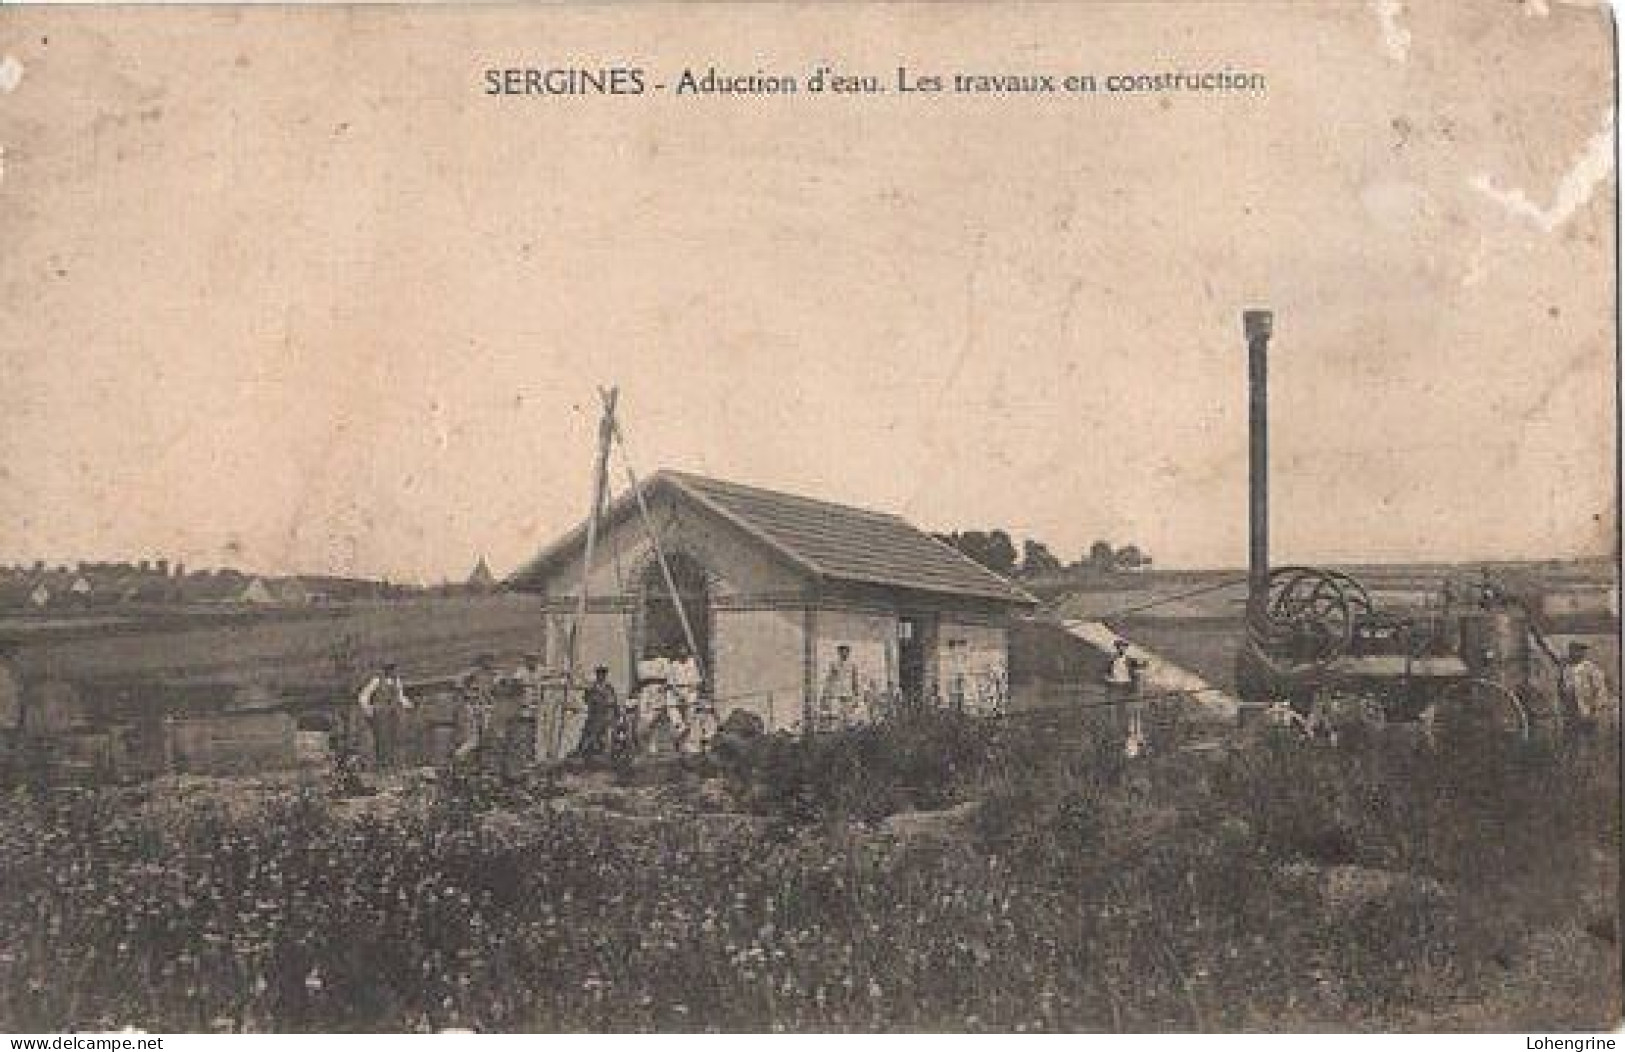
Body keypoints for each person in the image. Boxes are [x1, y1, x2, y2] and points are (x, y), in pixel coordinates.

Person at [357, 661, 413, 770]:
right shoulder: (377, 681)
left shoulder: (397, 682)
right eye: (391, 670)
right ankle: (382, 764)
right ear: (387, 670)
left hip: (394, 712)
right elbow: (363, 696)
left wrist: (408, 704)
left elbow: (400, 697)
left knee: (395, 737)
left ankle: (394, 764)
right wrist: (368, 708)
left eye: (395, 670)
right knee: (382, 738)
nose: (394, 672)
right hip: (381, 712)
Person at [453, 654, 500, 767]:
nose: (490, 664)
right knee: (474, 737)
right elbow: (458, 683)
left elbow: (494, 689)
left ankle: (480, 763)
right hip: (474, 708)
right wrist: (468, 693)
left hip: (485, 707)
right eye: (488, 661)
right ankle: (459, 758)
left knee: (486, 736)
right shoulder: (472, 674)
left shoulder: (493, 675)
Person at [514, 652, 562, 760]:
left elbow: (552, 674)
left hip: (537, 706)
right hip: (524, 706)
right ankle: (524, 755)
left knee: (538, 731)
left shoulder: (540, 670)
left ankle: (534, 755)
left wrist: (561, 675)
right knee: (525, 731)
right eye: (529, 660)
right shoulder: (520, 672)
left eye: (533, 660)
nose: (531, 662)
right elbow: (516, 685)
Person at [1104, 639, 1148, 757]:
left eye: (1123, 647)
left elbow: (1141, 666)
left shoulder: (1129, 660)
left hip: (1127, 686)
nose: (1121, 649)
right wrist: (1109, 679)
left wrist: (1142, 665)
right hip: (1116, 686)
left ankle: (1131, 728)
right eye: (1119, 647)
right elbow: (1105, 674)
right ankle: (1128, 727)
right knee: (1120, 710)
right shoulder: (1112, 660)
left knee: (1131, 711)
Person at [1560, 642, 1614, 733]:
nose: (1576, 653)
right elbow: (1563, 686)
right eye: (1573, 651)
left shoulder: (1591, 668)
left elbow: (1601, 689)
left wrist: (1595, 708)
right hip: (1570, 710)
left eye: (1580, 651)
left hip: (1587, 709)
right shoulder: (1566, 668)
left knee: (1588, 736)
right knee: (1571, 736)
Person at [575, 666, 618, 759]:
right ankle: (582, 753)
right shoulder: (592, 687)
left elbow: (614, 702)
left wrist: (615, 713)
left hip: (606, 716)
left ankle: (606, 754)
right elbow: (586, 699)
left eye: (603, 674)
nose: (601, 676)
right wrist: (593, 699)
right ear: (597, 675)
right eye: (599, 674)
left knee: (607, 735)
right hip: (594, 715)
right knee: (588, 734)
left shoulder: (609, 688)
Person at [820, 644, 860, 732]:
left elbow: (855, 681)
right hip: (837, 693)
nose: (844, 654)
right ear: (839, 653)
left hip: (848, 693)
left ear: (848, 653)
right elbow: (829, 680)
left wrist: (856, 696)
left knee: (849, 716)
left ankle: (849, 732)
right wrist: (825, 694)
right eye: (842, 652)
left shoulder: (852, 666)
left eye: (846, 651)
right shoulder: (834, 665)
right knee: (837, 716)